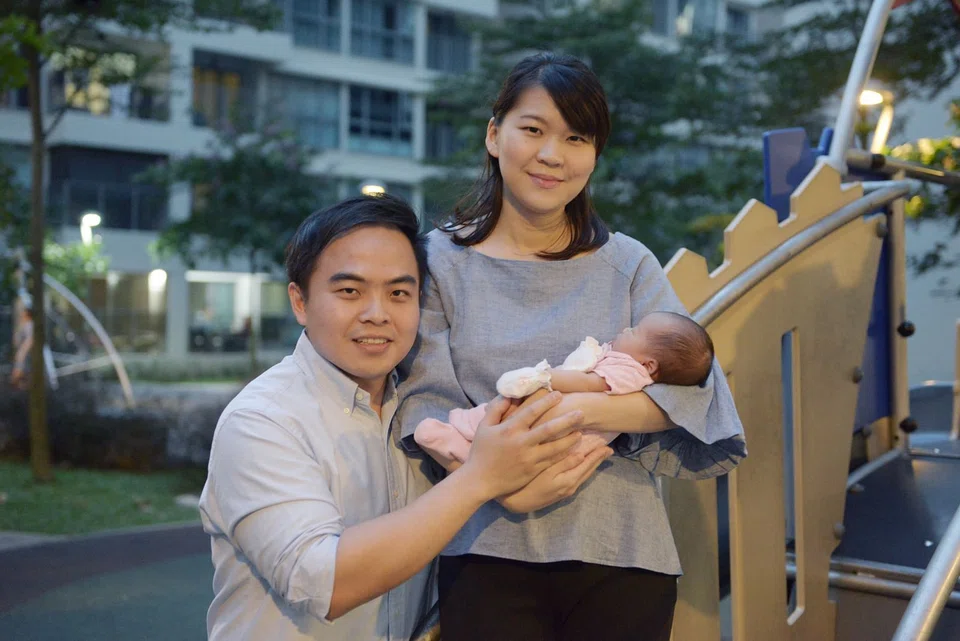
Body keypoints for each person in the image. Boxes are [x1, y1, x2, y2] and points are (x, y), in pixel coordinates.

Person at [396, 52, 747, 641]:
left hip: (622, 551)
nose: (553, 155)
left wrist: (564, 411)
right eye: (533, 129)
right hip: (484, 548)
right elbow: (423, 404)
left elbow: (694, 395)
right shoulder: (437, 262)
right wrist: (502, 483)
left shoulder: (628, 262)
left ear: (594, 155)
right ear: (494, 135)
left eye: (576, 138)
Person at [198, 194, 592, 641]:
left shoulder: (424, 411)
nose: (377, 314)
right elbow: (321, 581)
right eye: (350, 291)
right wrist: (479, 478)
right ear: (300, 301)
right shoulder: (262, 421)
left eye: (399, 293)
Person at [414, 311, 714, 463]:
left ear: (649, 365)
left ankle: (463, 435)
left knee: (508, 421)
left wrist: (544, 377)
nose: (625, 329)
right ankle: (465, 445)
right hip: (559, 423)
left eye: (634, 332)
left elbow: (588, 383)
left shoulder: (629, 373)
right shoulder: (627, 364)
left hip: (565, 426)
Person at [10, 303, 33, 390]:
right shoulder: (24, 324)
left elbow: (30, 340)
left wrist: (22, 353)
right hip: (22, 353)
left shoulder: (30, 325)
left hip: (25, 354)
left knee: (19, 372)